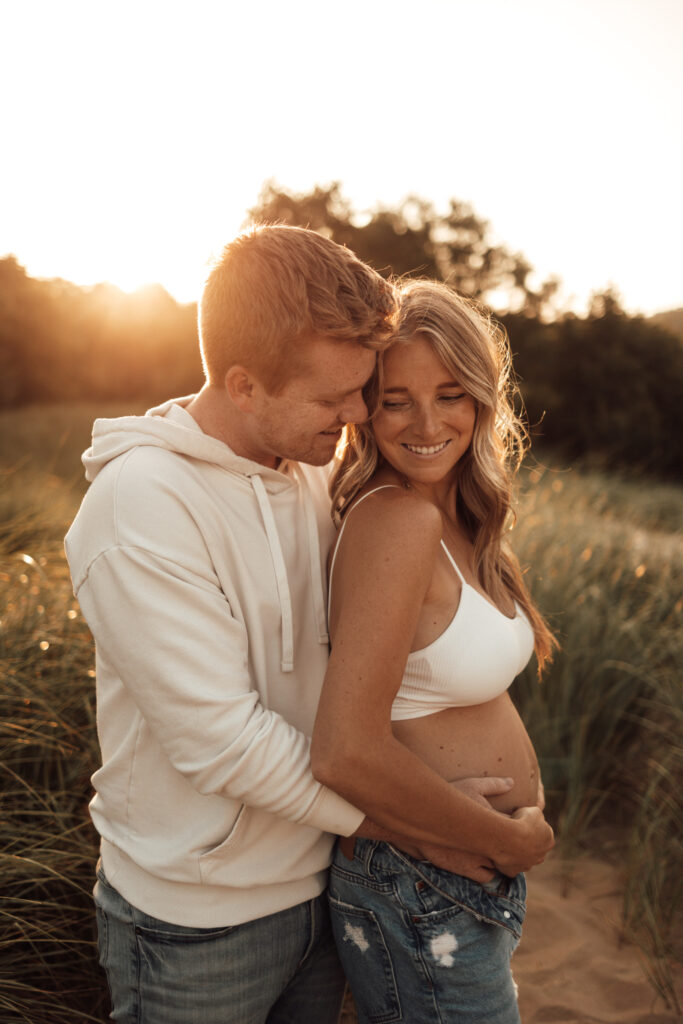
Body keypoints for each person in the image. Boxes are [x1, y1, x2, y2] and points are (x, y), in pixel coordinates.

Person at [65, 228, 552, 1024]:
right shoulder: (140, 506)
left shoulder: (313, 464)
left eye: (365, 389)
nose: (358, 415)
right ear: (244, 385)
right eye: (337, 398)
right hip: (198, 918)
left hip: (319, 883)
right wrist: (420, 827)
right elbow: (221, 740)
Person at [311, 278, 558, 1023]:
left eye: (450, 393)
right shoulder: (395, 521)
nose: (424, 422)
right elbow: (342, 751)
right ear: (365, 407)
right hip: (419, 876)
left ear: (481, 398)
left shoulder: (458, 519)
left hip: (446, 879)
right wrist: (505, 842)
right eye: (394, 399)